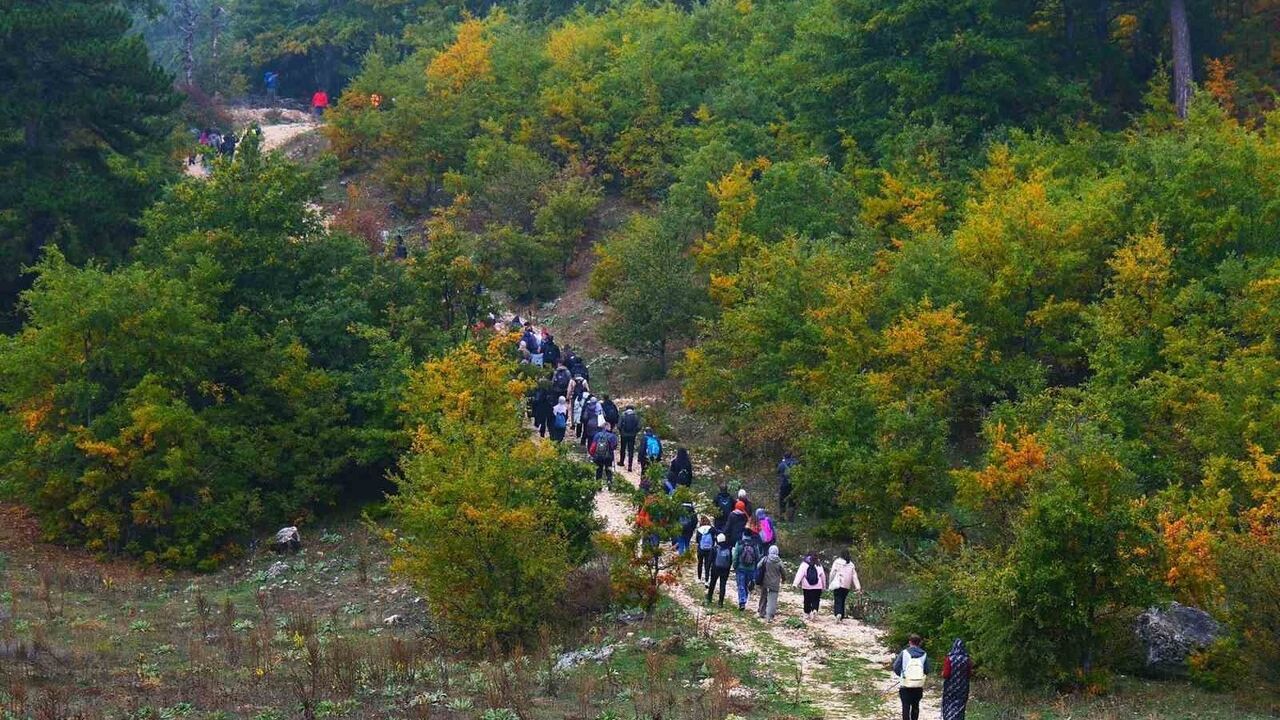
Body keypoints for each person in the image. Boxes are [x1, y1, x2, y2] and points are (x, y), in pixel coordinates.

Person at [893, 634, 930, 720]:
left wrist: (902, 675)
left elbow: (895, 667)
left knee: (905, 706)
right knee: (915, 706)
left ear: (910, 642)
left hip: (905, 684)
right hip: (918, 685)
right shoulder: (924, 654)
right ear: (919, 643)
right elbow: (927, 670)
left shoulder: (904, 653)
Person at [941, 639, 971, 720]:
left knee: (949, 703)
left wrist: (942, 674)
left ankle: (949, 717)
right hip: (963, 687)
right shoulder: (967, 659)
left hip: (950, 686)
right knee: (960, 705)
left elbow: (946, 674)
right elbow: (969, 674)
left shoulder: (950, 658)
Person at [732, 529, 762, 610]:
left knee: (741, 585)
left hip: (740, 568)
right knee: (746, 585)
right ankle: (744, 599)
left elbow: (735, 556)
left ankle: (742, 602)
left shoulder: (739, 543)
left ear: (743, 534)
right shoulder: (754, 544)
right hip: (751, 569)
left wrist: (734, 566)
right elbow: (758, 557)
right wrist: (755, 568)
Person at [829, 550, 862, 620]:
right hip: (847, 585)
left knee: (838, 599)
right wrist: (858, 587)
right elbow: (854, 577)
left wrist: (830, 581)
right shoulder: (851, 564)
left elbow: (832, 573)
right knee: (843, 600)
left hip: (838, 583)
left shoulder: (837, 562)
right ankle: (842, 615)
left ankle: (838, 613)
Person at [756, 545, 784, 621]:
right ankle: (770, 616)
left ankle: (761, 612)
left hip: (765, 582)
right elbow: (783, 572)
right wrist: (784, 579)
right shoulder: (779, 561)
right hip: (775, 583)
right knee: (773, 599)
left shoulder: (765, 559)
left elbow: (758, 566)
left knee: (763, 596)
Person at [793, 552, 826, 617]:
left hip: (807, 586)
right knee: (816, 599)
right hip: (818, 586)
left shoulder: (804, 564)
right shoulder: (818, 564)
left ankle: (807, 613)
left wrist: (795, 584)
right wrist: (824, 586)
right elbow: (823, 576)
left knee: (807, 600)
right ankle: (815, 609)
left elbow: (799, 575)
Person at [705, 533, 732, 606]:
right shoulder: (729, 549)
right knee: (722, 585)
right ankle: (720, 602)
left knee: (712, 583)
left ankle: (709, 598)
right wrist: (728, 570)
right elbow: (730, 561)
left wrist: (707, 570)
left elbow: (709, 561)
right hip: (725, 569)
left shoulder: (714, 549)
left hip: (715, 568)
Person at [591, 423, 618, 489]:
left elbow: (593, 446)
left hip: (598, 456)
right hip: (608, 456)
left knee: (599, 470)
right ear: (609, 428)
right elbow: (614, 447)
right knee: (608, 469)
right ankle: (609, 481)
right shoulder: (612, 436)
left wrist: (592, 455)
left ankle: (598, 485)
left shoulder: (597, 435)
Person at [617, 405, 641, 470]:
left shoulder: (623, 415)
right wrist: (635, 432)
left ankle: (621, 462)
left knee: (623, 448)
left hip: (623, 435)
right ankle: (630, 466)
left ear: (626, 409)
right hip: (632, 435)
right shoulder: (636, 416)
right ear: (633, 409)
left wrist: (621, 432)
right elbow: (639, 427)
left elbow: (619, 426)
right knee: (631, 450)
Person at [778, 452, 798, 522]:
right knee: (792, 501)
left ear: (784, 456)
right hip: (793, 485)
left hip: (783, 485)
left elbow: (778, 471)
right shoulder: (795, 463)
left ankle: (782, 518)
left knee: (782, 501)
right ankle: (791, 518)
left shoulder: (781, 464)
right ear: (791, 456)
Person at [693, 516, 715, 581]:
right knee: (707, 565)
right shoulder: (712, 529)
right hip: (709, 549)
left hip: (701, 549)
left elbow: (697, 540)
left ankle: (699, 578)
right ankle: (706, 580)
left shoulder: (699, 529)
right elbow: (714, 538)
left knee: (700, 563)